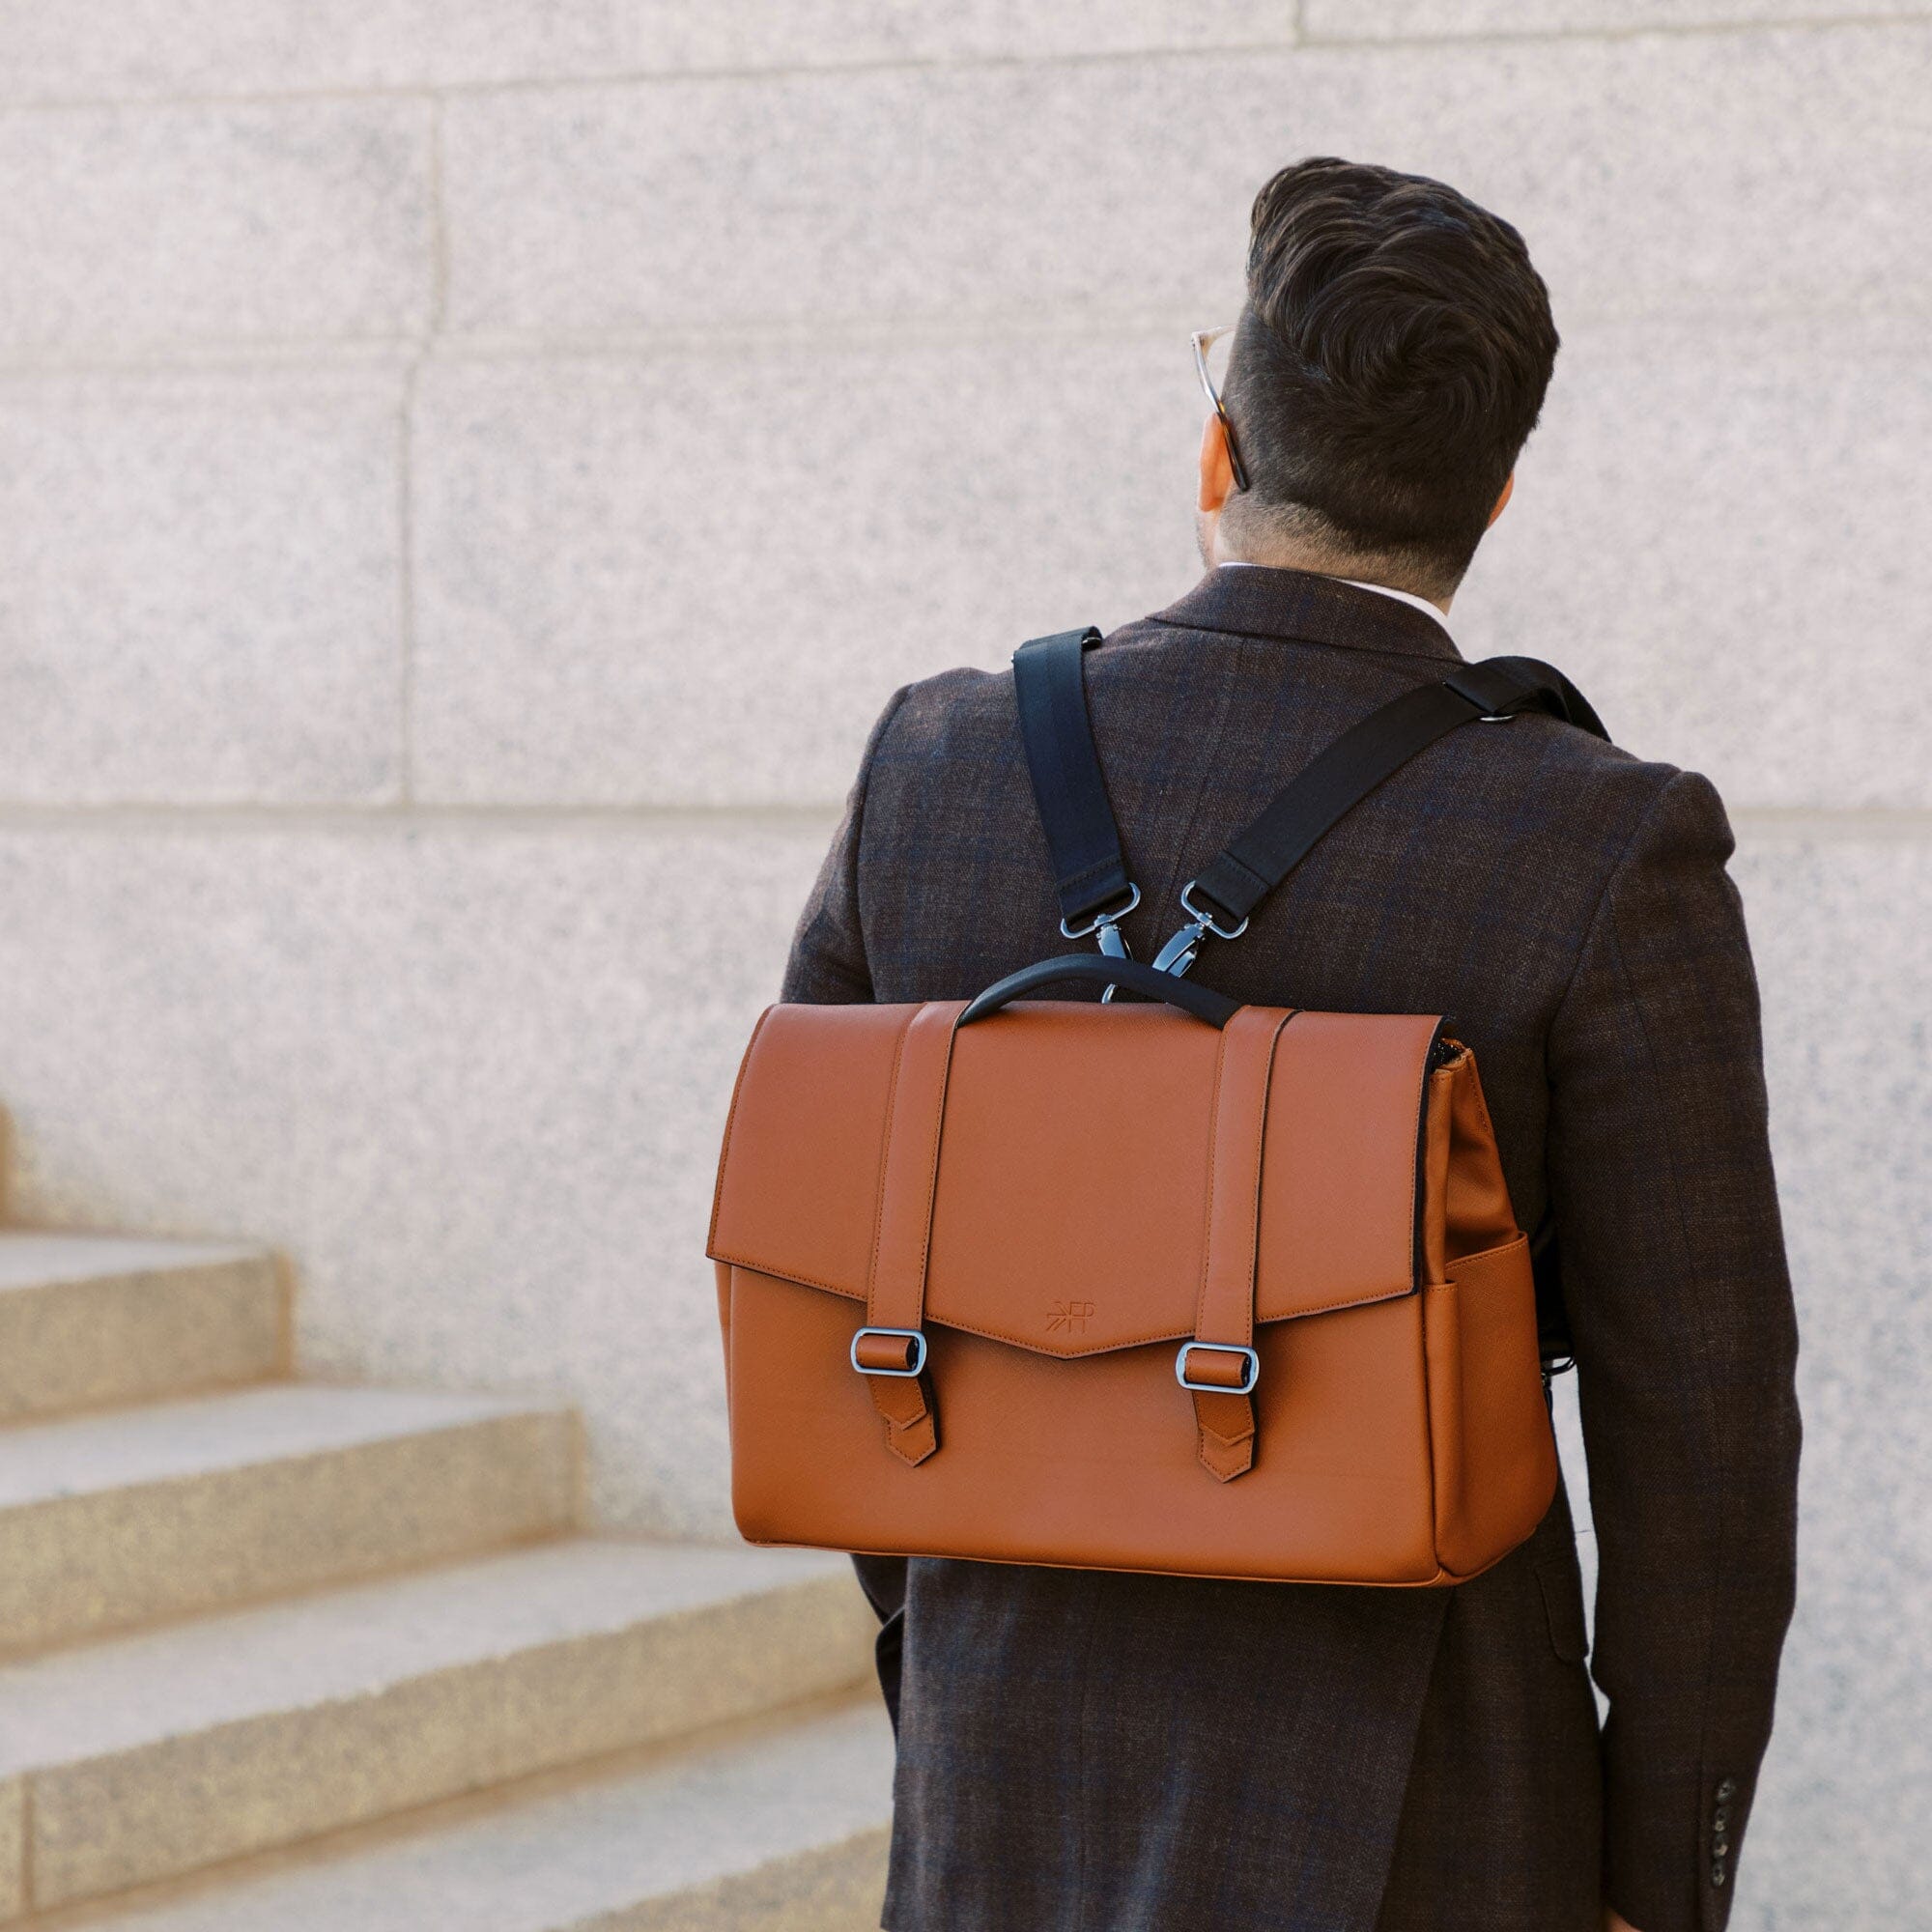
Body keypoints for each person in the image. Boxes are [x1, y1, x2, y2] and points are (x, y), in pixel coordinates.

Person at [779, 156, 1801, 1932]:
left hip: (1004, 1761)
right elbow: (1701, 1432)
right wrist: (1663, 1873)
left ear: (1217, 449)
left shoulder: (931, 769)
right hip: (1435, 1799)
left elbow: (814, 1262)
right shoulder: (1602, 842)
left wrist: (947, 1618)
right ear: (1493, 492)